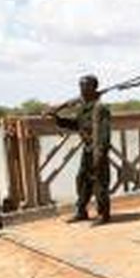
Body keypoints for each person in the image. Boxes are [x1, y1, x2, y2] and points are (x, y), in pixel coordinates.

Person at [49, 74, 112, 224]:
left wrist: (100, 154)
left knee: (100, 183)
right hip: (87, 150)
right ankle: (81, 211)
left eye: (86, 86)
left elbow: (104, 134)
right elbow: (76, 125)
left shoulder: (100, 108)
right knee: (82, 180)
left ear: (94, 88)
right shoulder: (83, 108)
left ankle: (104, 214)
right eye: (80, 86)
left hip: (97, 150)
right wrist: (57, 119)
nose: (82, 89)